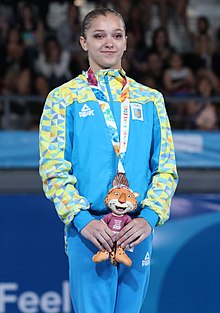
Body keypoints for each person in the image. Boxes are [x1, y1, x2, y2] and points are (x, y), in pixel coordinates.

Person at [39, 7, 178, 313]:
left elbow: (166, 169)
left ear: (126, 41)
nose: (108, 43)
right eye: (98, 35)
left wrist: (149, 218)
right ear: (83, 42)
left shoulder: (150, 99)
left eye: (116, 35)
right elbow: (53, 170)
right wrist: (82, 220)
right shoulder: (63, 99)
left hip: (137, 229)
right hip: (90, 231)